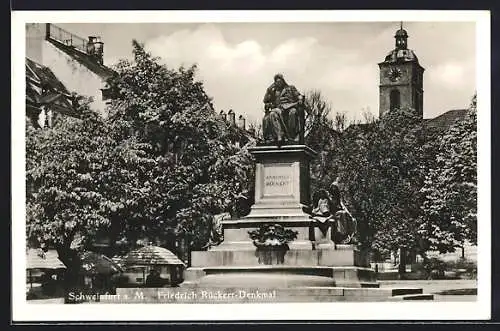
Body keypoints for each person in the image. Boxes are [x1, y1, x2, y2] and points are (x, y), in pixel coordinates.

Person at [262, 74, 305, 144]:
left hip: (290, 108)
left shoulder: (290, 88)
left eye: (280, 81)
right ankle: (279, 135)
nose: (278, 83)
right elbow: (265, 100)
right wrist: (269, 89)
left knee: (293, 112)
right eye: (277, 82)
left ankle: (292, 136)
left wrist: (300, 99)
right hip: (279, 109)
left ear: (283, 81)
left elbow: (299, 95)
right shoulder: (274, 91)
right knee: (272, 113)